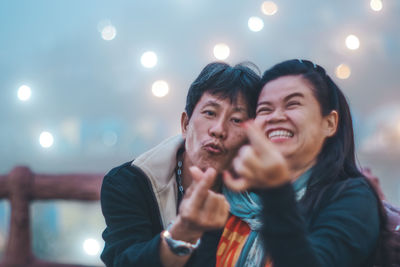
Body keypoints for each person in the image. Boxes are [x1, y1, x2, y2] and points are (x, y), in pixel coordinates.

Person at [218, 59, 386, 266]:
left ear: (330, 123)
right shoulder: (233, 198)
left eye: (292, 104)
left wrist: (276, 189)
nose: (276, 117)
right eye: (264, 109)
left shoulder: (354, 198)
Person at [100, 61, 260, 266]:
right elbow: (124, 261)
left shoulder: (256, 195)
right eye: (210, 113)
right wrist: (184, 231)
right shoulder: (130, 182)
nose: (219, 129)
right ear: (185, 124)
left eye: (236, 119)